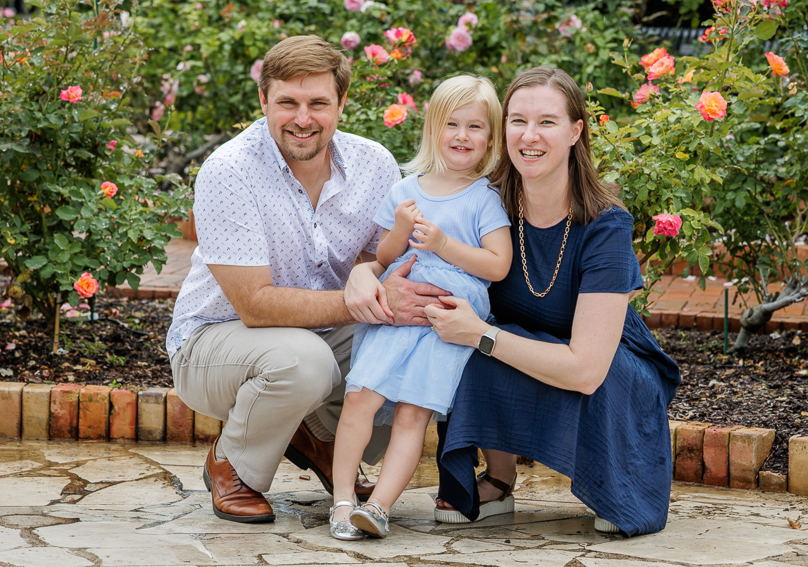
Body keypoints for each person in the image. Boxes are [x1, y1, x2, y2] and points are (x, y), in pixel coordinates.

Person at [346, 66, 681, 537]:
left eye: (547, 121)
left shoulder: (606, 226)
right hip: (520, 342)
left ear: (575, 131)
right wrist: (362, 276)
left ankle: (615, 481)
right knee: (461, 351)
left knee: (495, 347)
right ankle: (500, 479)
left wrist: (479, 333)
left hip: (607, 367)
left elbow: (585, 369)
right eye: (518, 121)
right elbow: (393, 256)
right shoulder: (485, 203)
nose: (530, 135)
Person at [166, 35, 448, 524]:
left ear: (341, 102)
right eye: (287, 103)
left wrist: (388, 288)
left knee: (421, 337)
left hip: (316, 334)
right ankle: (232, 465)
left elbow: (375, 261)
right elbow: (254, 305)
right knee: (306, 362)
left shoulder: (373, 163)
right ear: (263, 101)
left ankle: (323, 441)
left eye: (318, 102)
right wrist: (370, 302)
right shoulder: (229, 171)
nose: (303, 118)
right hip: (215, 341)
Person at [329, 76, 512, 540]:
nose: (462, 135)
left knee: (414, 413)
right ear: (433, 128)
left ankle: (381, 508)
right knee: (360, 398)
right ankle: (344, 499)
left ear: (490, 138)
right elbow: (383, 258)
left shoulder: (484, 198)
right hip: (397, 310)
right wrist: (399, 227)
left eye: (475, 126)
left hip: (446, 321)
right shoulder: (406, 191)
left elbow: (498, 265)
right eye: (452, 123)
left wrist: (445, 243)